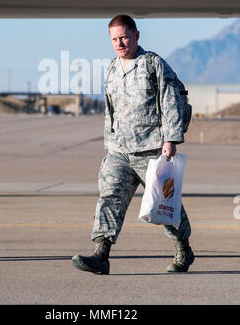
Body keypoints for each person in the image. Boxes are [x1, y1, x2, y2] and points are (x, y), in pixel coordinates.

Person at [71, 15, 194, 274]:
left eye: (124, 37)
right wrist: (110, 142)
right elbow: (111, 110)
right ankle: (101, 255)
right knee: (109, 197)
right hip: (119, 151)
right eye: (114, 39)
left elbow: (170, 101)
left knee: (164, 208)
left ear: (136, 35)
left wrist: (171, 139)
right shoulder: (112, 69)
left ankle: (183, 246)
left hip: (152, 150)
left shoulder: (153, 64)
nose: (119, 43)